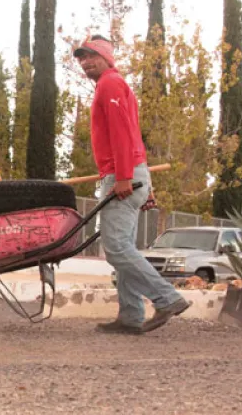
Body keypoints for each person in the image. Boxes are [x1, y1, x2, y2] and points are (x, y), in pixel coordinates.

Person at [73, 35, 191, 334]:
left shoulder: (110, 84)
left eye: (91, 56)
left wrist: (125, 176)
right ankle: (131, 315)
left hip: (122, 175)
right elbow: (134, 135)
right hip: (131, 173)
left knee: (115, 249)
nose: (85, 62)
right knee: (123, 247)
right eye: (81, 57)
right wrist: (142, 182)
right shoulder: (111, 85)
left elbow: (123, 134)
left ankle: (166, 298)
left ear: (107, 57)